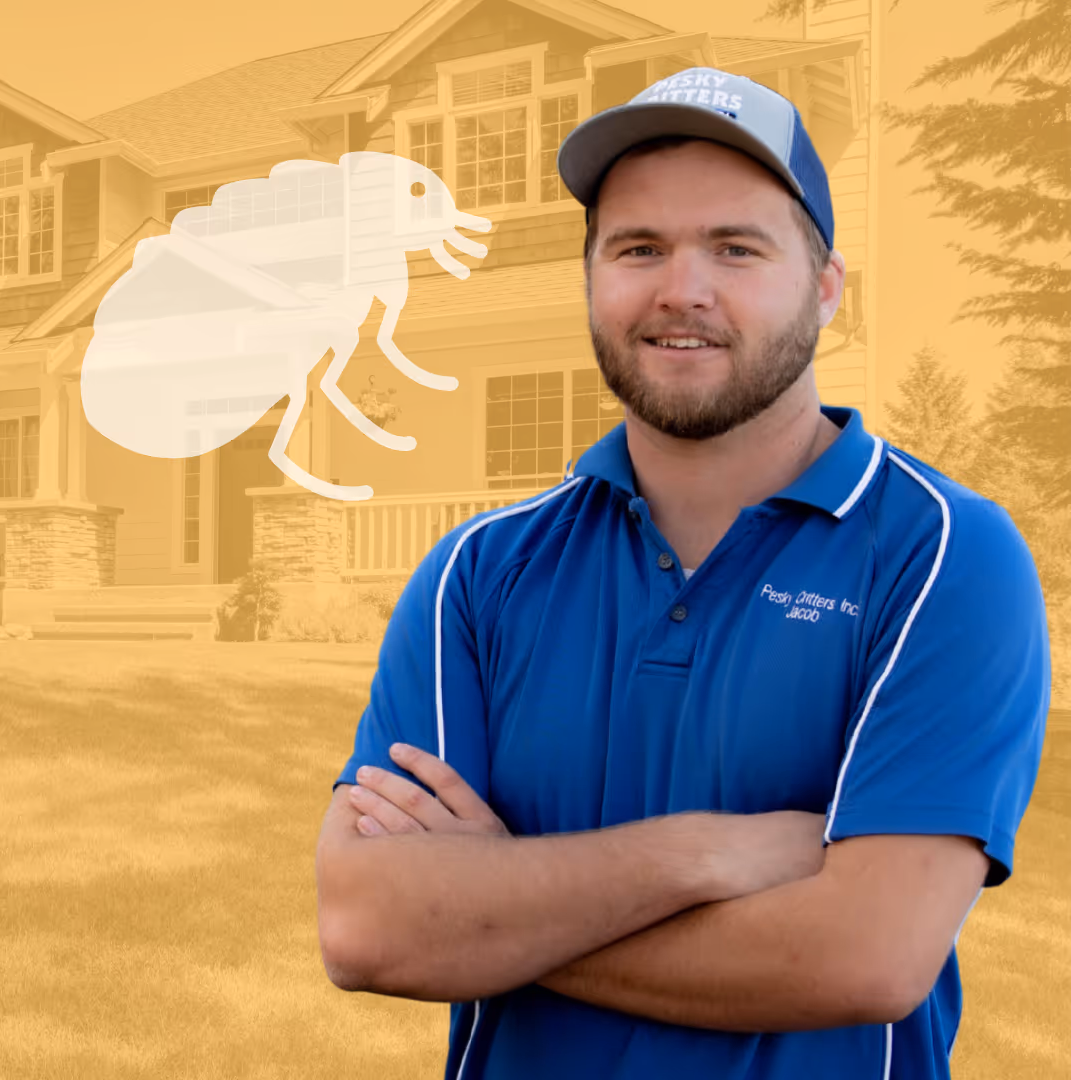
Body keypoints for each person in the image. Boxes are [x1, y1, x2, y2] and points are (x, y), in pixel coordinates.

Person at [314, 66, 1050, 1080]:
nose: (682, 289)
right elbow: (368, 927)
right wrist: (707, 855)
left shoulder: (942, 556)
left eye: (735, 248)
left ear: (828, 285)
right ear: (591, 280)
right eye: (639, 248)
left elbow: (870, 955)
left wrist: (492, 910)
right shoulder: (477, 575)